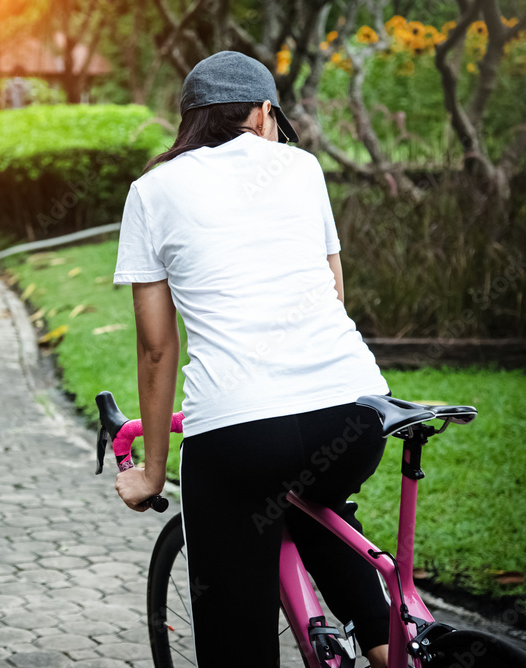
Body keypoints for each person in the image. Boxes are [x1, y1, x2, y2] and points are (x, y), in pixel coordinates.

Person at [112, 50, 392, 668]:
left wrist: (153, 472)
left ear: (190, 122)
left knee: (236, 630)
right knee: (322, 502)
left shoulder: (151, 191)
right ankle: (386, 644)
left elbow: (158, 348)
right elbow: (335, 291)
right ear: (265, 114)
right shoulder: (302, 167)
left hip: (240, 434)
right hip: (356, 412)